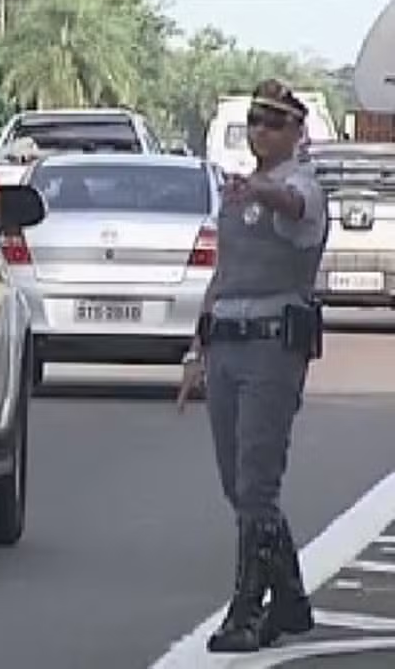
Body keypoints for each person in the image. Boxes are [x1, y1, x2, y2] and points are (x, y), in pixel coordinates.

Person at [176, 79, 328, 653]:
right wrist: (197, 351)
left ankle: (246, 609)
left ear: (297, 132)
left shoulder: (301, 186)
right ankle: (290, 601)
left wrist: (262, 189)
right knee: (235, 482)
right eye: (255, 122)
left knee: (257, 483)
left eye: (274, 122)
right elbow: (222, 275)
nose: (261, 132)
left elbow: (295, 207)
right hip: (227, 343)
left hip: (272, 346)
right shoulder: (237, 193)